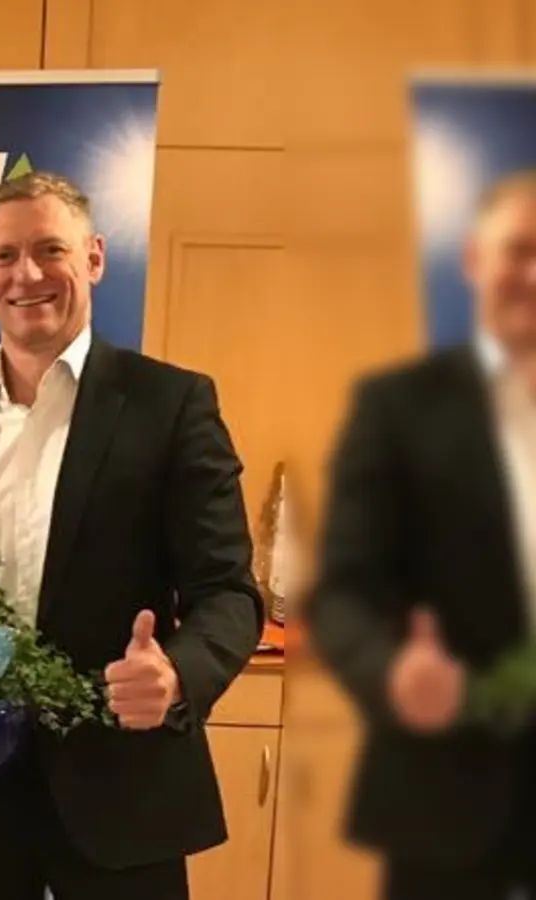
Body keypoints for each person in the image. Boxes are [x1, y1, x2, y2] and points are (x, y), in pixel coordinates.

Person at [0, 171, 263, 900]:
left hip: (125, 786)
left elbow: (229, 592)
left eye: (48, 250)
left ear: (93, 259)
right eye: (3, 257)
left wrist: (178, 675)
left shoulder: (172, 404)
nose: (26, 274)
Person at [305, 169, 536, 900]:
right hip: (444, 805)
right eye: (520, 250)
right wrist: (392, 673)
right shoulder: (397, 407)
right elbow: (342, 592)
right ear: (474, 259)